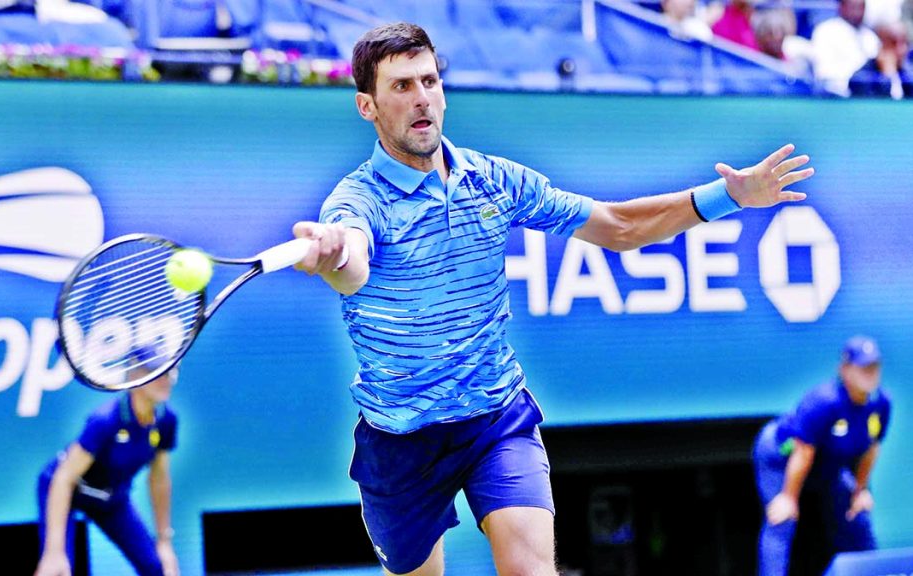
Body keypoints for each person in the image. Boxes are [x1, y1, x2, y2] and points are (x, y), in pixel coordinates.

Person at [289, 22, 815, 576]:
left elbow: (616, 226)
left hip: (494, 418)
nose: (422, 98)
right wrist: (332, 254)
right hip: (401, 437)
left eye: (430, 80)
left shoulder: (493, 180)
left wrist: (727, 196)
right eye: (401, 87)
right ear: (366, 106)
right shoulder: (354, 201)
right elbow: (353, 266)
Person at [752, 335, 892, 576]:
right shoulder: (824, 401)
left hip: (826, 463)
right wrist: (788, 497)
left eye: (874, 366)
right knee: (782, 518)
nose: (870, 373)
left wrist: (860, 490)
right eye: (863, 367)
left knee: (856, 511)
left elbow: (872, 448)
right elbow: (803, 452)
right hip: (781, 457)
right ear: (845, 370)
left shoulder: (881, 403)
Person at [34, 350, 180, 576]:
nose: (167, 379)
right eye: (157, 372)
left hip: (112, 498)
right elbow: (63, 478)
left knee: (157, 568)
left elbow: (159, 478)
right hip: (66, 489)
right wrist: (54, 551)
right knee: (57, 570)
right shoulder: (105, 421)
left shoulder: (166, 421)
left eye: (170, 371)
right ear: (136, 376)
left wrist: (164, 542)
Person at [811, 0, 881, 96]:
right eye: (853, 7)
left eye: (861, 7)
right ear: (841, 7)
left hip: (867, 96)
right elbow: (824, 73)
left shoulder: (870, 36)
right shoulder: (825, 31)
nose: (858, 12)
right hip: (835, 97)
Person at [849, 20, 913, 98]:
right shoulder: (861, 78)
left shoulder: (908, 71)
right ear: (882, 45)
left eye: (905, 42)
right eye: (893, 43)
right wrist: (888, 76)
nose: (901, 49)